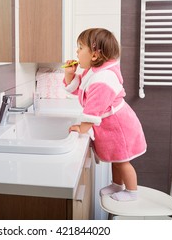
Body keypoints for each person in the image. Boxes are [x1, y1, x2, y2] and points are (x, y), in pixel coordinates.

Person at [63, 28, 146, 201]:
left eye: (80, 47)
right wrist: (69, 75)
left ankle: (132, 192)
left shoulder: (104, 78)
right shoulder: (93, 71)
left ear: (94, 55)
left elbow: (94, 109)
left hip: (119, 126)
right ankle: (117, 185)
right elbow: (81, 91)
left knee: (122, 160)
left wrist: (82, 128)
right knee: (116, 158)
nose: (77, 52)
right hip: (112, 124)